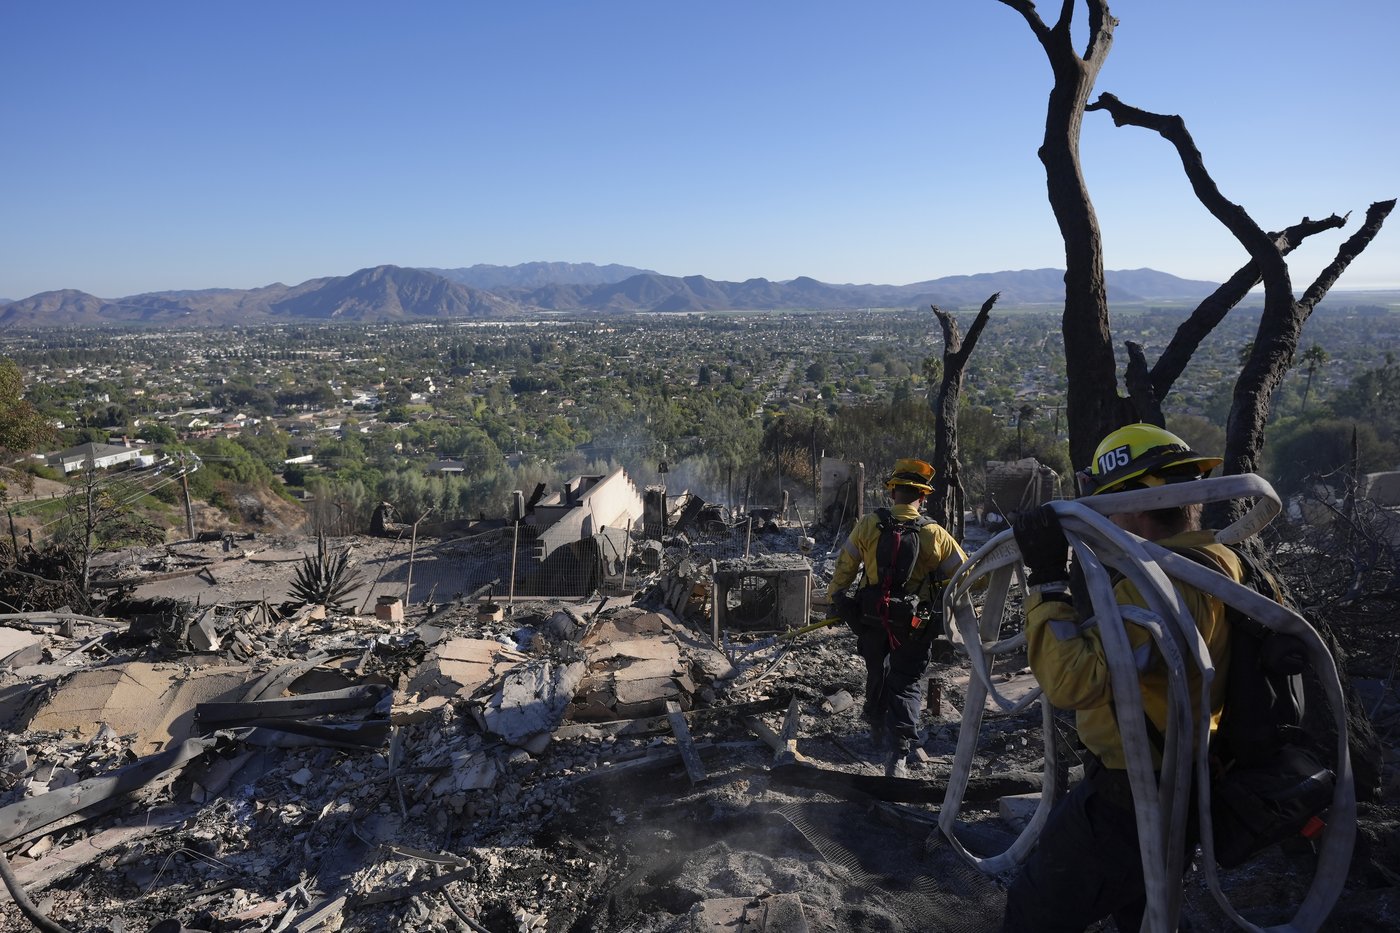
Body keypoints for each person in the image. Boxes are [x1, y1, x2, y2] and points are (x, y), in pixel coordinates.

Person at [1001, 423, 1239, 933]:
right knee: (1146, 909)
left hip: (1132, 796)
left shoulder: (1164, 587)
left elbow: (1071, 681)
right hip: (1176, 778)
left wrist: (1047, 581)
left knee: (1035, 909)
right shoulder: (1217, 564)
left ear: (1133, 502)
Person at [827, 458, 968, 777]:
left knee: (877, 672)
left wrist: (835, 600)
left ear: (892, 494)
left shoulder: (867, 524)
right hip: (914, 626)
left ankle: (876, 727)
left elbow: (845, 566)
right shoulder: (935, 533)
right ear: (923, 497)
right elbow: (968, 576)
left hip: (872, 620)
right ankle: (898, 755)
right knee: (905, 683)